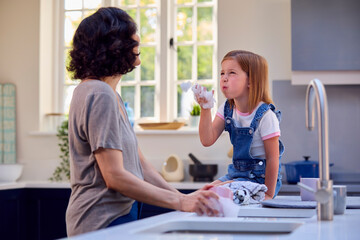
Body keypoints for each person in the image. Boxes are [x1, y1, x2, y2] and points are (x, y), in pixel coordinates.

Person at [65, 7, 218, 237]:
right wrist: (179, 202)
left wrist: (185, 198)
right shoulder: (100, 94)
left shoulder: (107, 93)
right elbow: (114, 176)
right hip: (101, 220)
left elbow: (139, 164)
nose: (137, 57)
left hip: (115, 216)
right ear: (113, 48)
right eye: (133, 46)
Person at [195, 50, 284, 200]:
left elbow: (273, 158)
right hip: (237, 176)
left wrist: (268, 193)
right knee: (202, 194)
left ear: (251, 81)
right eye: (222, 73)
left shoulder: (266, 116)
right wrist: (205, 108)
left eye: (232, 73)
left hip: (260, 181)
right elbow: (206, 140)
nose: (224, 78)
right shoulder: (227, 108)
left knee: (211, 195)